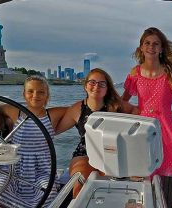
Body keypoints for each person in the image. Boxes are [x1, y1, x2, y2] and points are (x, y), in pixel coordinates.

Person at [122, 27, 172, 177]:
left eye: (156, 44)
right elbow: (123, 102)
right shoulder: (135, 74)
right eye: (147, 43)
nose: (151, 47)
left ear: (161, 48)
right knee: (143, 172)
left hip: (165, 129)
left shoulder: (170, 74)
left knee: (169, 174)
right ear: (141, 47)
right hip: (143, 129)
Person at [55, 68, 137, 198]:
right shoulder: (77, 109)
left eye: (101, 83)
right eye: (92, 82)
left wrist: (128, 132)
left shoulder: (116, 106)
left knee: (113, 188)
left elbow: (137, 113)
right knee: (80, 183)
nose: (96, 86)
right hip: (85, 153)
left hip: (112, 153)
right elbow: (56, 129)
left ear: (107, 88)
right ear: (86, 85)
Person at [0, 75, 68, 208]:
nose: (36, 95)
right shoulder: (13, 111)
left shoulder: (53, 115)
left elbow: (78, 110)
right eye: (30, 91)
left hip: (43, 169)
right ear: (23, 94)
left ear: (47, 95)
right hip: (13, 167)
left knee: (48, 194)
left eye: (41, 92)